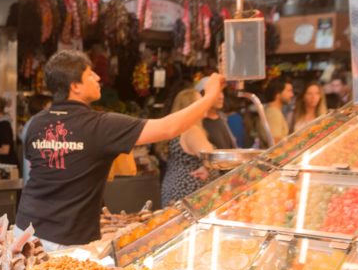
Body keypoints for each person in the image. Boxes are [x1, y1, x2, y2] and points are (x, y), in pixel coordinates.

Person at [16, 50, 224, 249]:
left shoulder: (35, 123)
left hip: (25, 232)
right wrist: (209, 97)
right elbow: (168, 128)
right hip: (65, 241)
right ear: (75, 86)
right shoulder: (101, 125)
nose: (98, 78)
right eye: (90, 74)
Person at [161, 79, 225, 206]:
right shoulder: (192, 130)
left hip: (174, 188)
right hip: (191, 191)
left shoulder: (180, 129)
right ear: (191, 107)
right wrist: (207, 167)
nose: (204, 104)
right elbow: (211, 157)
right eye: (200, 101)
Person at [261, 77, 294, 146]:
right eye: (289, 91)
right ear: (278, 93)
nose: (292, 95)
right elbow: (274, 142)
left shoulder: (271, 111)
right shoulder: (273, 113)